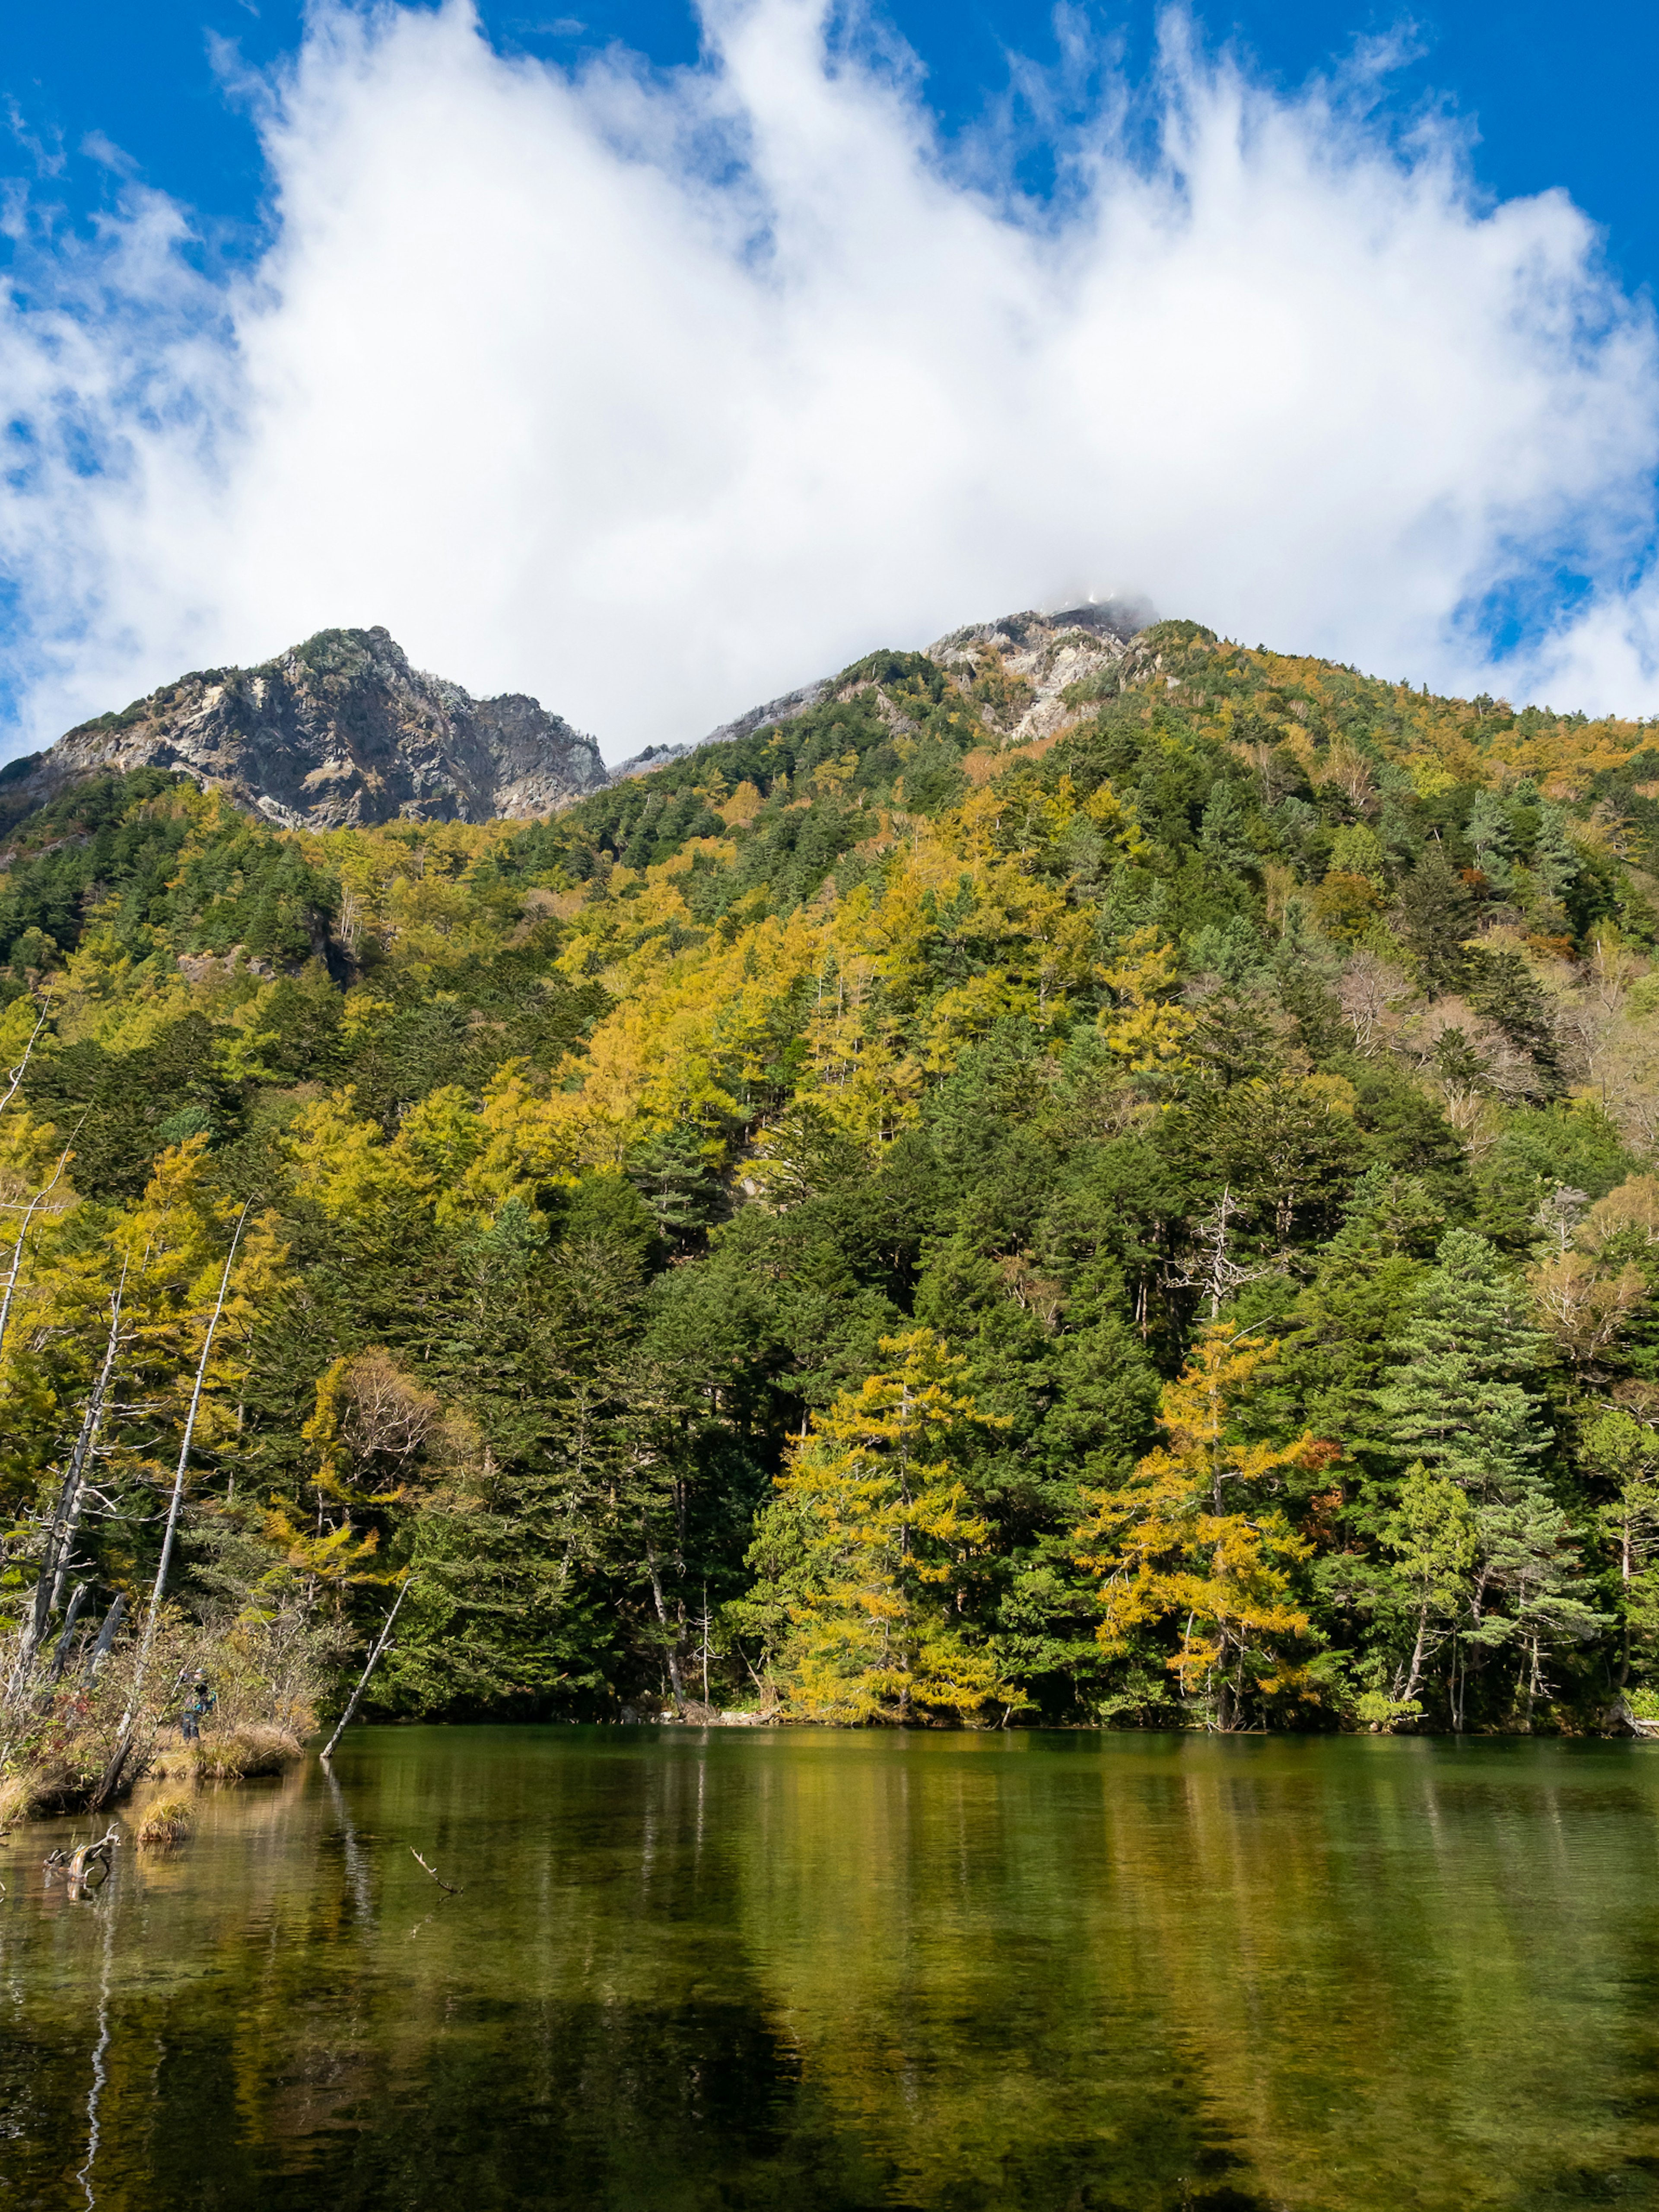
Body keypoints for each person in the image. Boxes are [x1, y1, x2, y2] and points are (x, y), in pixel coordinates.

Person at [181, 1672, 216, 1743]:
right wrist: (182, 1676)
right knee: (186, 1725)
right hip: (188, 1707)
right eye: (196, 1674)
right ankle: (187, 1739)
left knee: (194, 1724)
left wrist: (185, 1675)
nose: (196, 1676)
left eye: (198, 1674)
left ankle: (195, 1740)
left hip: (197, 1708)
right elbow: (185, 1682)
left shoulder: (202, 1685)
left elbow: (195, 1683)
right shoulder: (193, 1685)